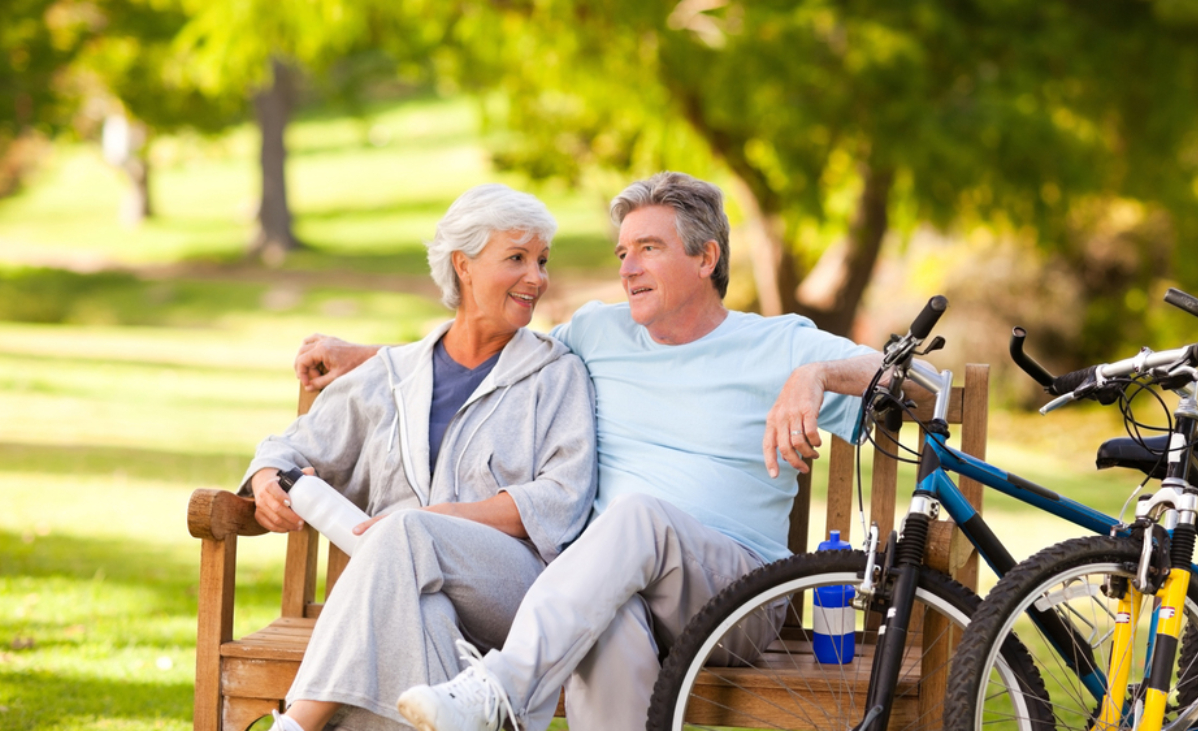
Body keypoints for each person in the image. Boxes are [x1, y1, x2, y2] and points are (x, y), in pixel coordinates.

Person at [297, 172, 885, 731]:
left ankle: (497, 690)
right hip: (610, 587)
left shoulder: (778, 344)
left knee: (639, 515)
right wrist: (372, 356)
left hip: (734, 600)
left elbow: (916, 383)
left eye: (648, 248)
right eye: (622, 253)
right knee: (605, 622)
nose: (628, 268)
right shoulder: (600, 333)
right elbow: (489, 348)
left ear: (706, 258)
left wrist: (818, 375)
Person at [243, 184, 598, 731]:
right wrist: (267, 478)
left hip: (514, 597)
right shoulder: (390, 377)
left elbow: (562, 499)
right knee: (414, 618)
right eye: (517, 258)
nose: (538, 278)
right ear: (464, 266)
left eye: (542, 260)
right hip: (410, 601)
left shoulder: (555, 374)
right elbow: (287, 447)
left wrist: (437, 520)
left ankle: (295, 723)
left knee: (406, 533)